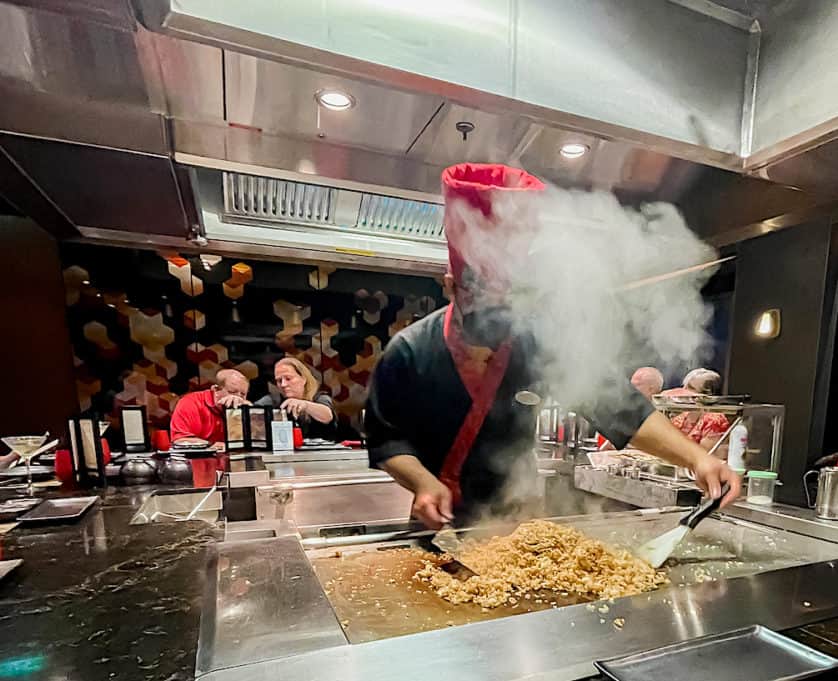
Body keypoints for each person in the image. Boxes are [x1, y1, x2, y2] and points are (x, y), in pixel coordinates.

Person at [364, 162, 740, 530]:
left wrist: (698, 460)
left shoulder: (538, 340)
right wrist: (422, 482)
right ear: (449, 285)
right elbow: (388, 442)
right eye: (478, 297)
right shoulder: (408, 351)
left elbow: (618, 409)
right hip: (436, 525)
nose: (495, 317)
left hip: (517, 524)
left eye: (506, 299)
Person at [254, 358, 338, 440]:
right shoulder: (275, 400)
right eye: (279, 381)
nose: (283, 384)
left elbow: (327, 416)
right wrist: (245, 405)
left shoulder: (320, 397)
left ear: (303, 379)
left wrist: (305, 405)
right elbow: (254, 409)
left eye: (288, 379)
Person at [169, 369, 250, 444]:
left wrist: (250, 413)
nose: (238, 398)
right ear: (215, 390)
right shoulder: (190, 403)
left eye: (243, 394)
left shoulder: (242, 408)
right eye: (232, 392)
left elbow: (254, 442)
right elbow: (180, 440)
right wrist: (213, 445)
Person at [665, 368, 731, 454]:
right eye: (684, 386)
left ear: (707, 395)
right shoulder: (683, 416)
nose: (683, 391)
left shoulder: (715, 420)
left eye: (690, 388)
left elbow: (703, 454)